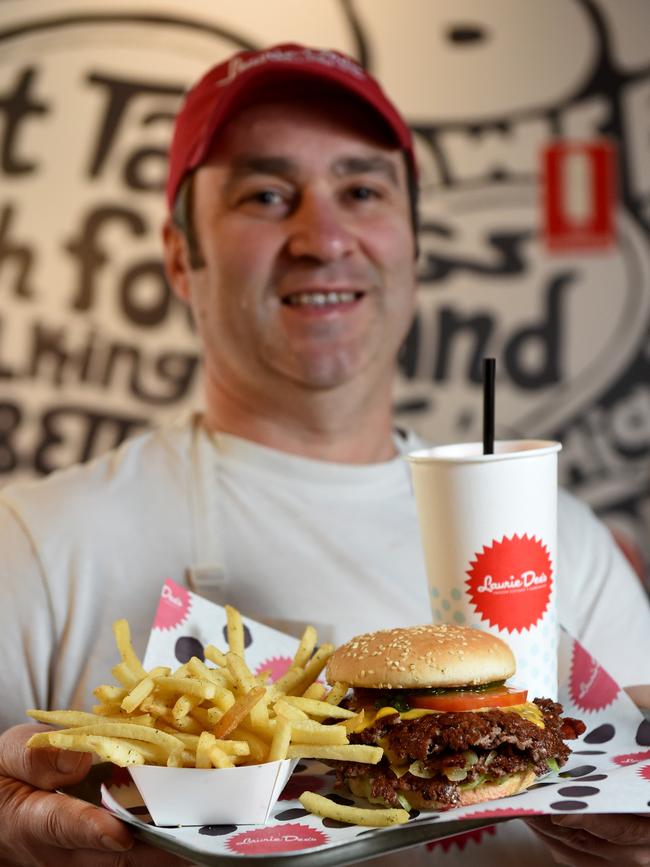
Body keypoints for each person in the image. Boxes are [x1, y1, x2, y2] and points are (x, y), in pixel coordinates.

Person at [0, 42, 648, 867]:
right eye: (266, 194)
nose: (324, 235)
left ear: (414, 242)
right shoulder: (35, 542)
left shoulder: (568, 541)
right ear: (177, 255)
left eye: (362, 190)